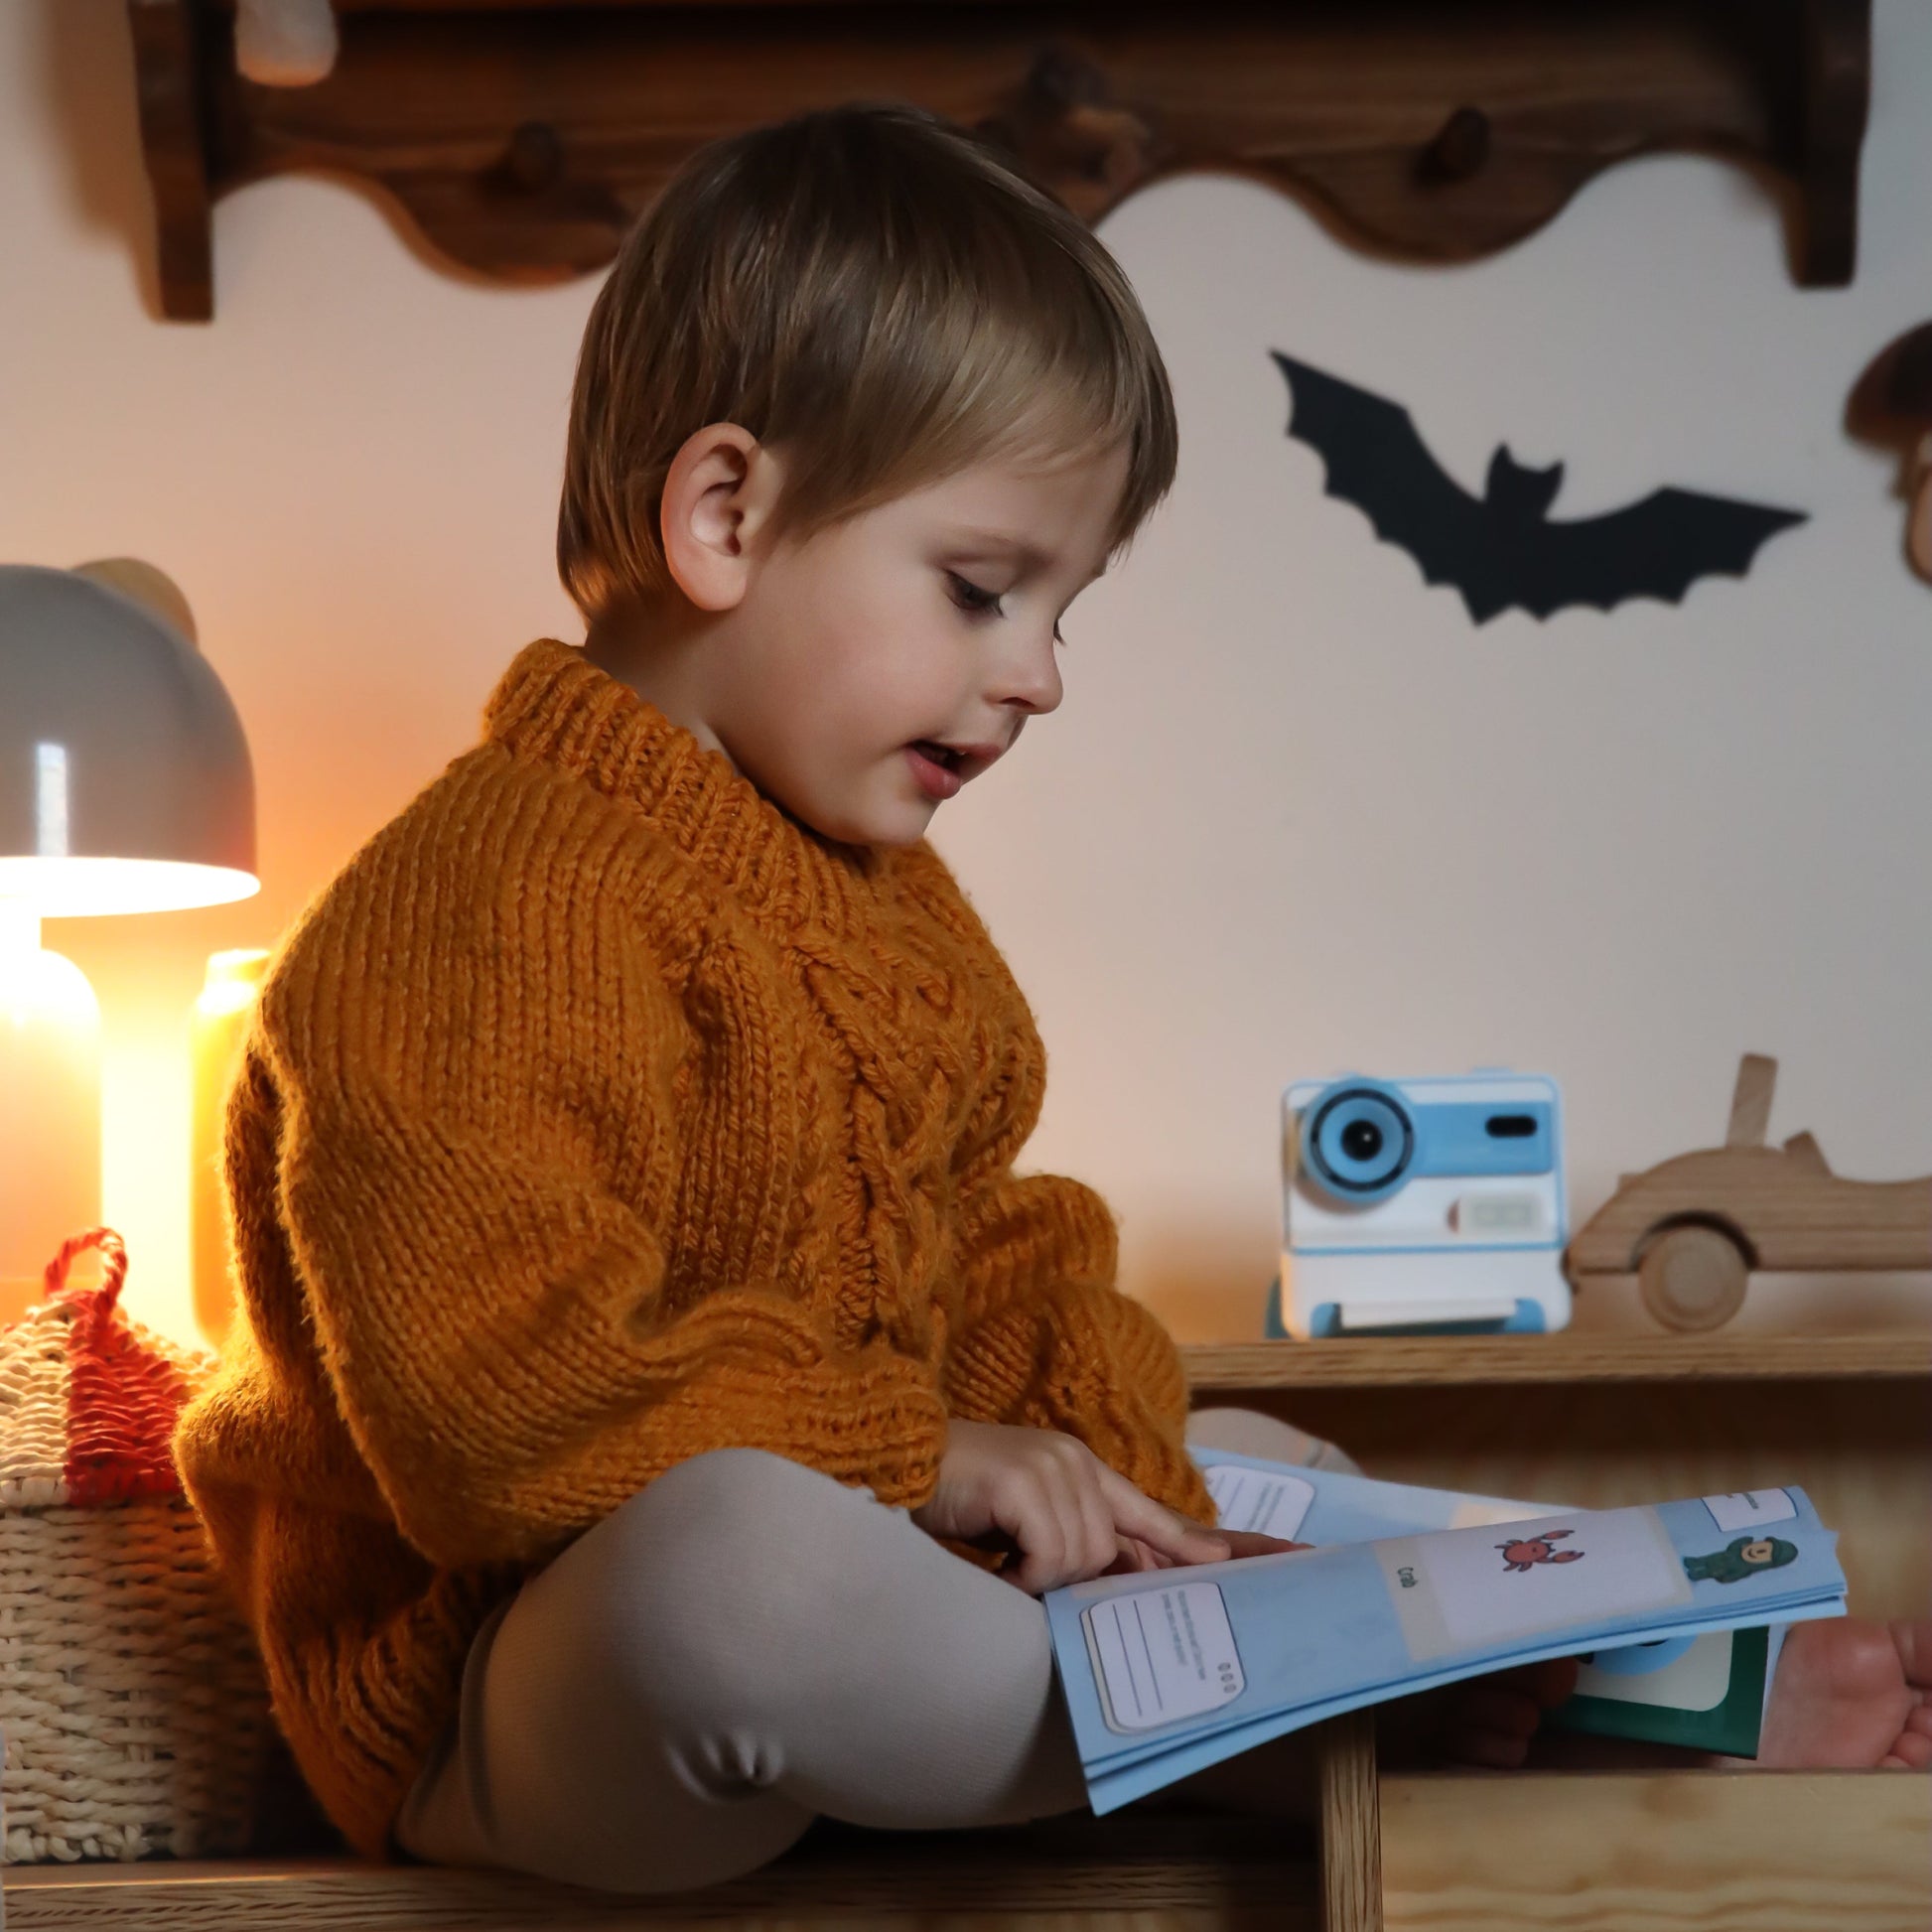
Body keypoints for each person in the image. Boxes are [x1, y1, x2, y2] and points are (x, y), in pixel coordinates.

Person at [171, 101, 1929, 1898]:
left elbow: (992, 1265)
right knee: (733, 1566)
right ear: (724, 516)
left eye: (1061, 611)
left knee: (1239, 1450)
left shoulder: (889, 908)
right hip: (510, 1675)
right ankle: (1338, 1725)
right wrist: (920, 1454)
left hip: (885, 1596)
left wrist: (1132, 1489)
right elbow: (498, 1410)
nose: (1038, 677)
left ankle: (1611, 1668)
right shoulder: (470, 908)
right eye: (981, 590)